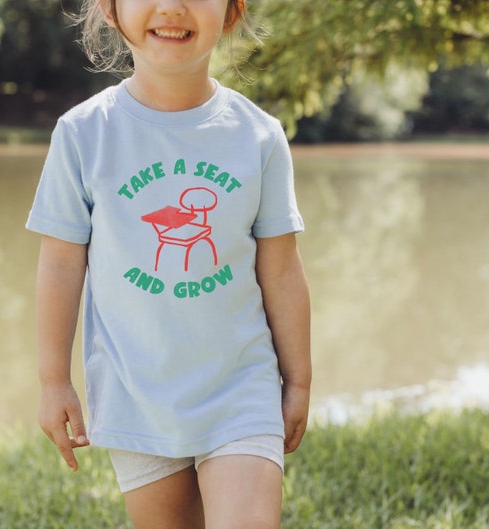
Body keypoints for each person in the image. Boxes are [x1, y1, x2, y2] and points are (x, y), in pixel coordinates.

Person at [26, 0, 311, 527]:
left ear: (231, 11)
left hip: (240, 388)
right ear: (111, 10)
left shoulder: (260, 136)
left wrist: (298, 380)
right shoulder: (83, 133)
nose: (173, 6)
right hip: (136, 390)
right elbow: (62, 265)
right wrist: (53, 381)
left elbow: (282, 270)